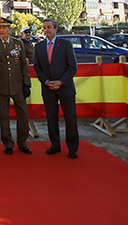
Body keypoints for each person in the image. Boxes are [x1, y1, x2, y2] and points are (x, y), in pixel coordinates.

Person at [34, 18, 80, 159]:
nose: (46, 30)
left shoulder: (65, 44)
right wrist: (47, 81)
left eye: (49, 27)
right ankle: (55, 145)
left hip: (65, 88)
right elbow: (37, 67)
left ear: (56, 29)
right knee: (51, 118)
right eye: (44, 28)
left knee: (70, 119)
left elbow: (72, 67)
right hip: (48, 88)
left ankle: (72, 148)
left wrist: (61, 82)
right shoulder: (39, 46)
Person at [0, 17, 32, 155]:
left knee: (23, 114)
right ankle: (7, 143)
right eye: (0, 28)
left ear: (9, 29)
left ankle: (22, 142)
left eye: (4, 28)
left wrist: (26, 84)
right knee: (4, 115)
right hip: (2, 85)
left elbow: (24, 65)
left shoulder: (18, 43)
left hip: (17, 85)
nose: (2, 31)